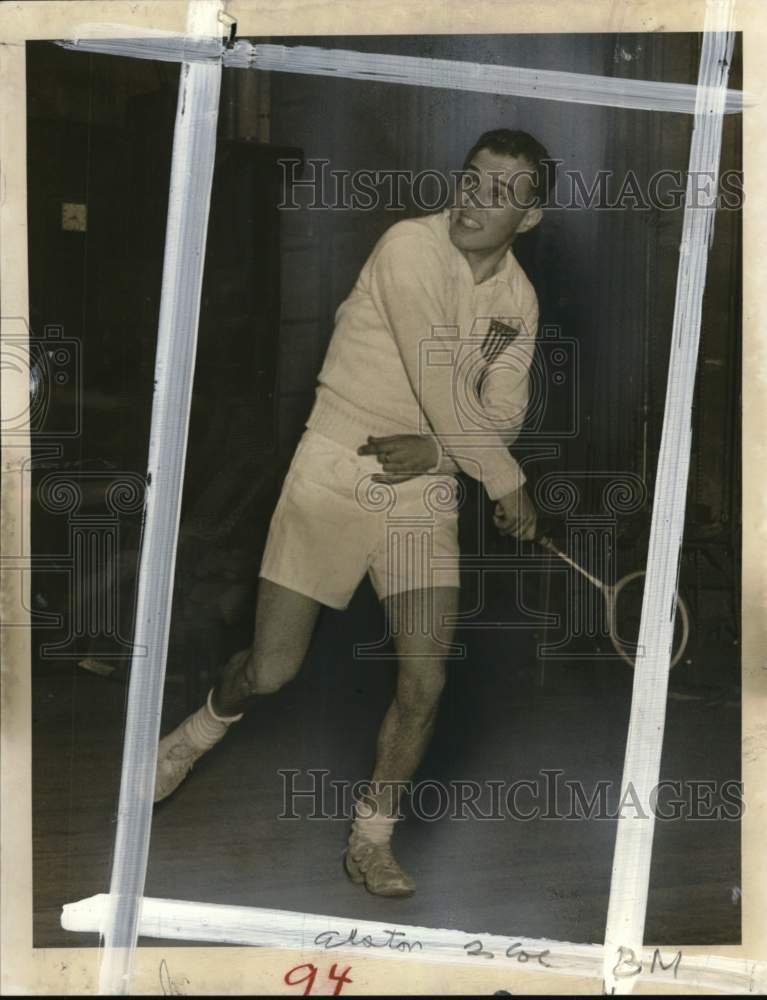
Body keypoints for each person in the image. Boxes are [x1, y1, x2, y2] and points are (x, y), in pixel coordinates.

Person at [154, 128, 555, 898]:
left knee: (424, 680)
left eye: (502, 193)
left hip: (423, 491)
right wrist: (504, 482)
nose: (476, 200)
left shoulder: (519, 301)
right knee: (271, 671)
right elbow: (441, 387)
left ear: (530, 217)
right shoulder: (408, 247)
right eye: (471, 180)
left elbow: (503, 414)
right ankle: (193, 735)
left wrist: (440, 458)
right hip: (334, 465)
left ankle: (372, 838)